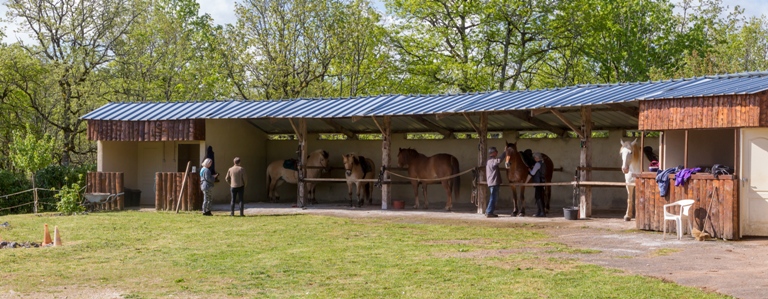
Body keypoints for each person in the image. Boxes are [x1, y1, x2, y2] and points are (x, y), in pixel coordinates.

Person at [485, 147, 502, 218]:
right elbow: (499, 161)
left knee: (493, 197)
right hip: (493, 182)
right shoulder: (491, 161)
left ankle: (489, 211)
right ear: (493, 152)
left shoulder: (489, 161)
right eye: (496, 151)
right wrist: (504, 153)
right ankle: (489, 212)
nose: (497, 153)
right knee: (493, 197)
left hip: (493, 182)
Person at [529, 152, 547, 217]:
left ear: (537, 158)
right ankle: (540, 211)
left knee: (538, 197)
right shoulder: (543, 163)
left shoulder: (537, 164)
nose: (534, 158)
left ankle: (542, 212)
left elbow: (533, 173)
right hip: (542, 181)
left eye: (535, 157)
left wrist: (529, 170)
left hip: (538, 181)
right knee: (540, 196)